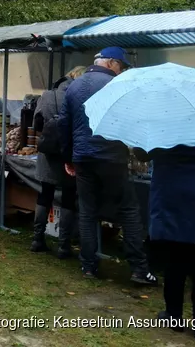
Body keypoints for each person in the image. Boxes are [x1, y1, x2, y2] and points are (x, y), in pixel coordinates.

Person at [59, 47, 157, 285]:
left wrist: (68, 157)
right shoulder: (117, 86)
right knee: (128, 210)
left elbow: (64, 124)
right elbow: (130, 122)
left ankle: (89, 266)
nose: (121, 70)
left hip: (83, 156)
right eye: (121, 66)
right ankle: (139, 270)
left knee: (88, 211)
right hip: (111, 157)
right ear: (112, 63)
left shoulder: (73, 86)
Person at [134, 144, 195, 341]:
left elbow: (143, 153)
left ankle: (173, 315)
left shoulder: (162, 119)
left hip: (170, 189)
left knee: (174, 256)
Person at [30, 66, 86, 257]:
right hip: (70, 153)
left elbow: (36, 124)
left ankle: (37, 239)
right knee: (69, 198)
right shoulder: (80, 97)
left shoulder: (47, 95)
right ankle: (64, 246)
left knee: (45, 194)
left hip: (48, 153)